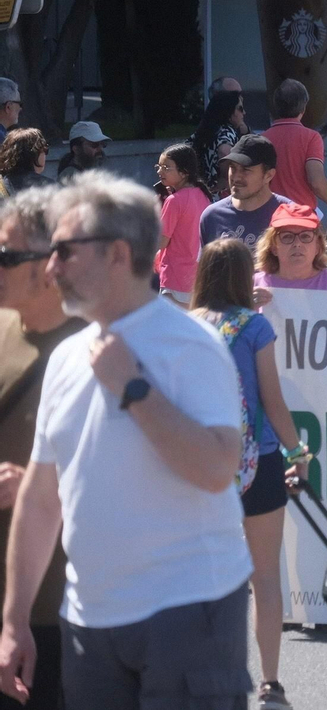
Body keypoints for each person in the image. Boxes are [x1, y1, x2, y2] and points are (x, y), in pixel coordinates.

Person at [0, 173, 253, 710]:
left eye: (65, 252)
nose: (51, 267)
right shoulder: (68, 356)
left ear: (117, 253)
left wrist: (135, 389)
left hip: (187, 613)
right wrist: (14, 620)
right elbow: (41, 499)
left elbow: (216, 469)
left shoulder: (192, 345)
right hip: (89, 620)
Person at [189, 239, 309, 710]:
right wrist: (298, 451)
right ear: (245, 277)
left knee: (205, 577)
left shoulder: (186, 326)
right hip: (256, 462)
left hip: (199, 466)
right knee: (265, 579)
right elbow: (272, 402)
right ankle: (271, 683)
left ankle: (208, 673)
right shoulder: (254, 328)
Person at [0, 189, 86, 710]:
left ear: (52, 264)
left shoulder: (102, 349)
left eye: (7, 257)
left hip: (51, 611)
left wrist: (42, 482)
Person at [261, 79, 327, 218]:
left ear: (275, 106)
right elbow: (316, 181)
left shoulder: (262, 139)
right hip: (301, 216)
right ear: (303, 108)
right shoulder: (311, 138)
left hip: (269, 215)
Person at [199, 134, 292, 252]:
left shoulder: (290, 215)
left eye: (246, 169)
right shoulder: (212, 216)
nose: (236, 177)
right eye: (232, 168)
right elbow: (205, 268)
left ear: (268, 175)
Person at [153, 144, 209, 304]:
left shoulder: (174, 201)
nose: (160, 171)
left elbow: (161, 241)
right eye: (159, 166)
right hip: (197, 276)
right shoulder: (202, 194)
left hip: (174, 277)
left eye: (166, 167)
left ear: (184, 172)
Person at [190, 89, 247, 198]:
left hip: (200, 193)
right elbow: (224, 151)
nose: (244, 113)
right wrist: (228, 178)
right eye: (240, 108)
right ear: (229, 111)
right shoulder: (227, 131)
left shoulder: (201, 133)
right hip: (220, 195)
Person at [0, 130, 50, 196]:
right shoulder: (52, 188)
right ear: (33, 153)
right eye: (45, 150)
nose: (45, 155)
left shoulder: (2, 187)